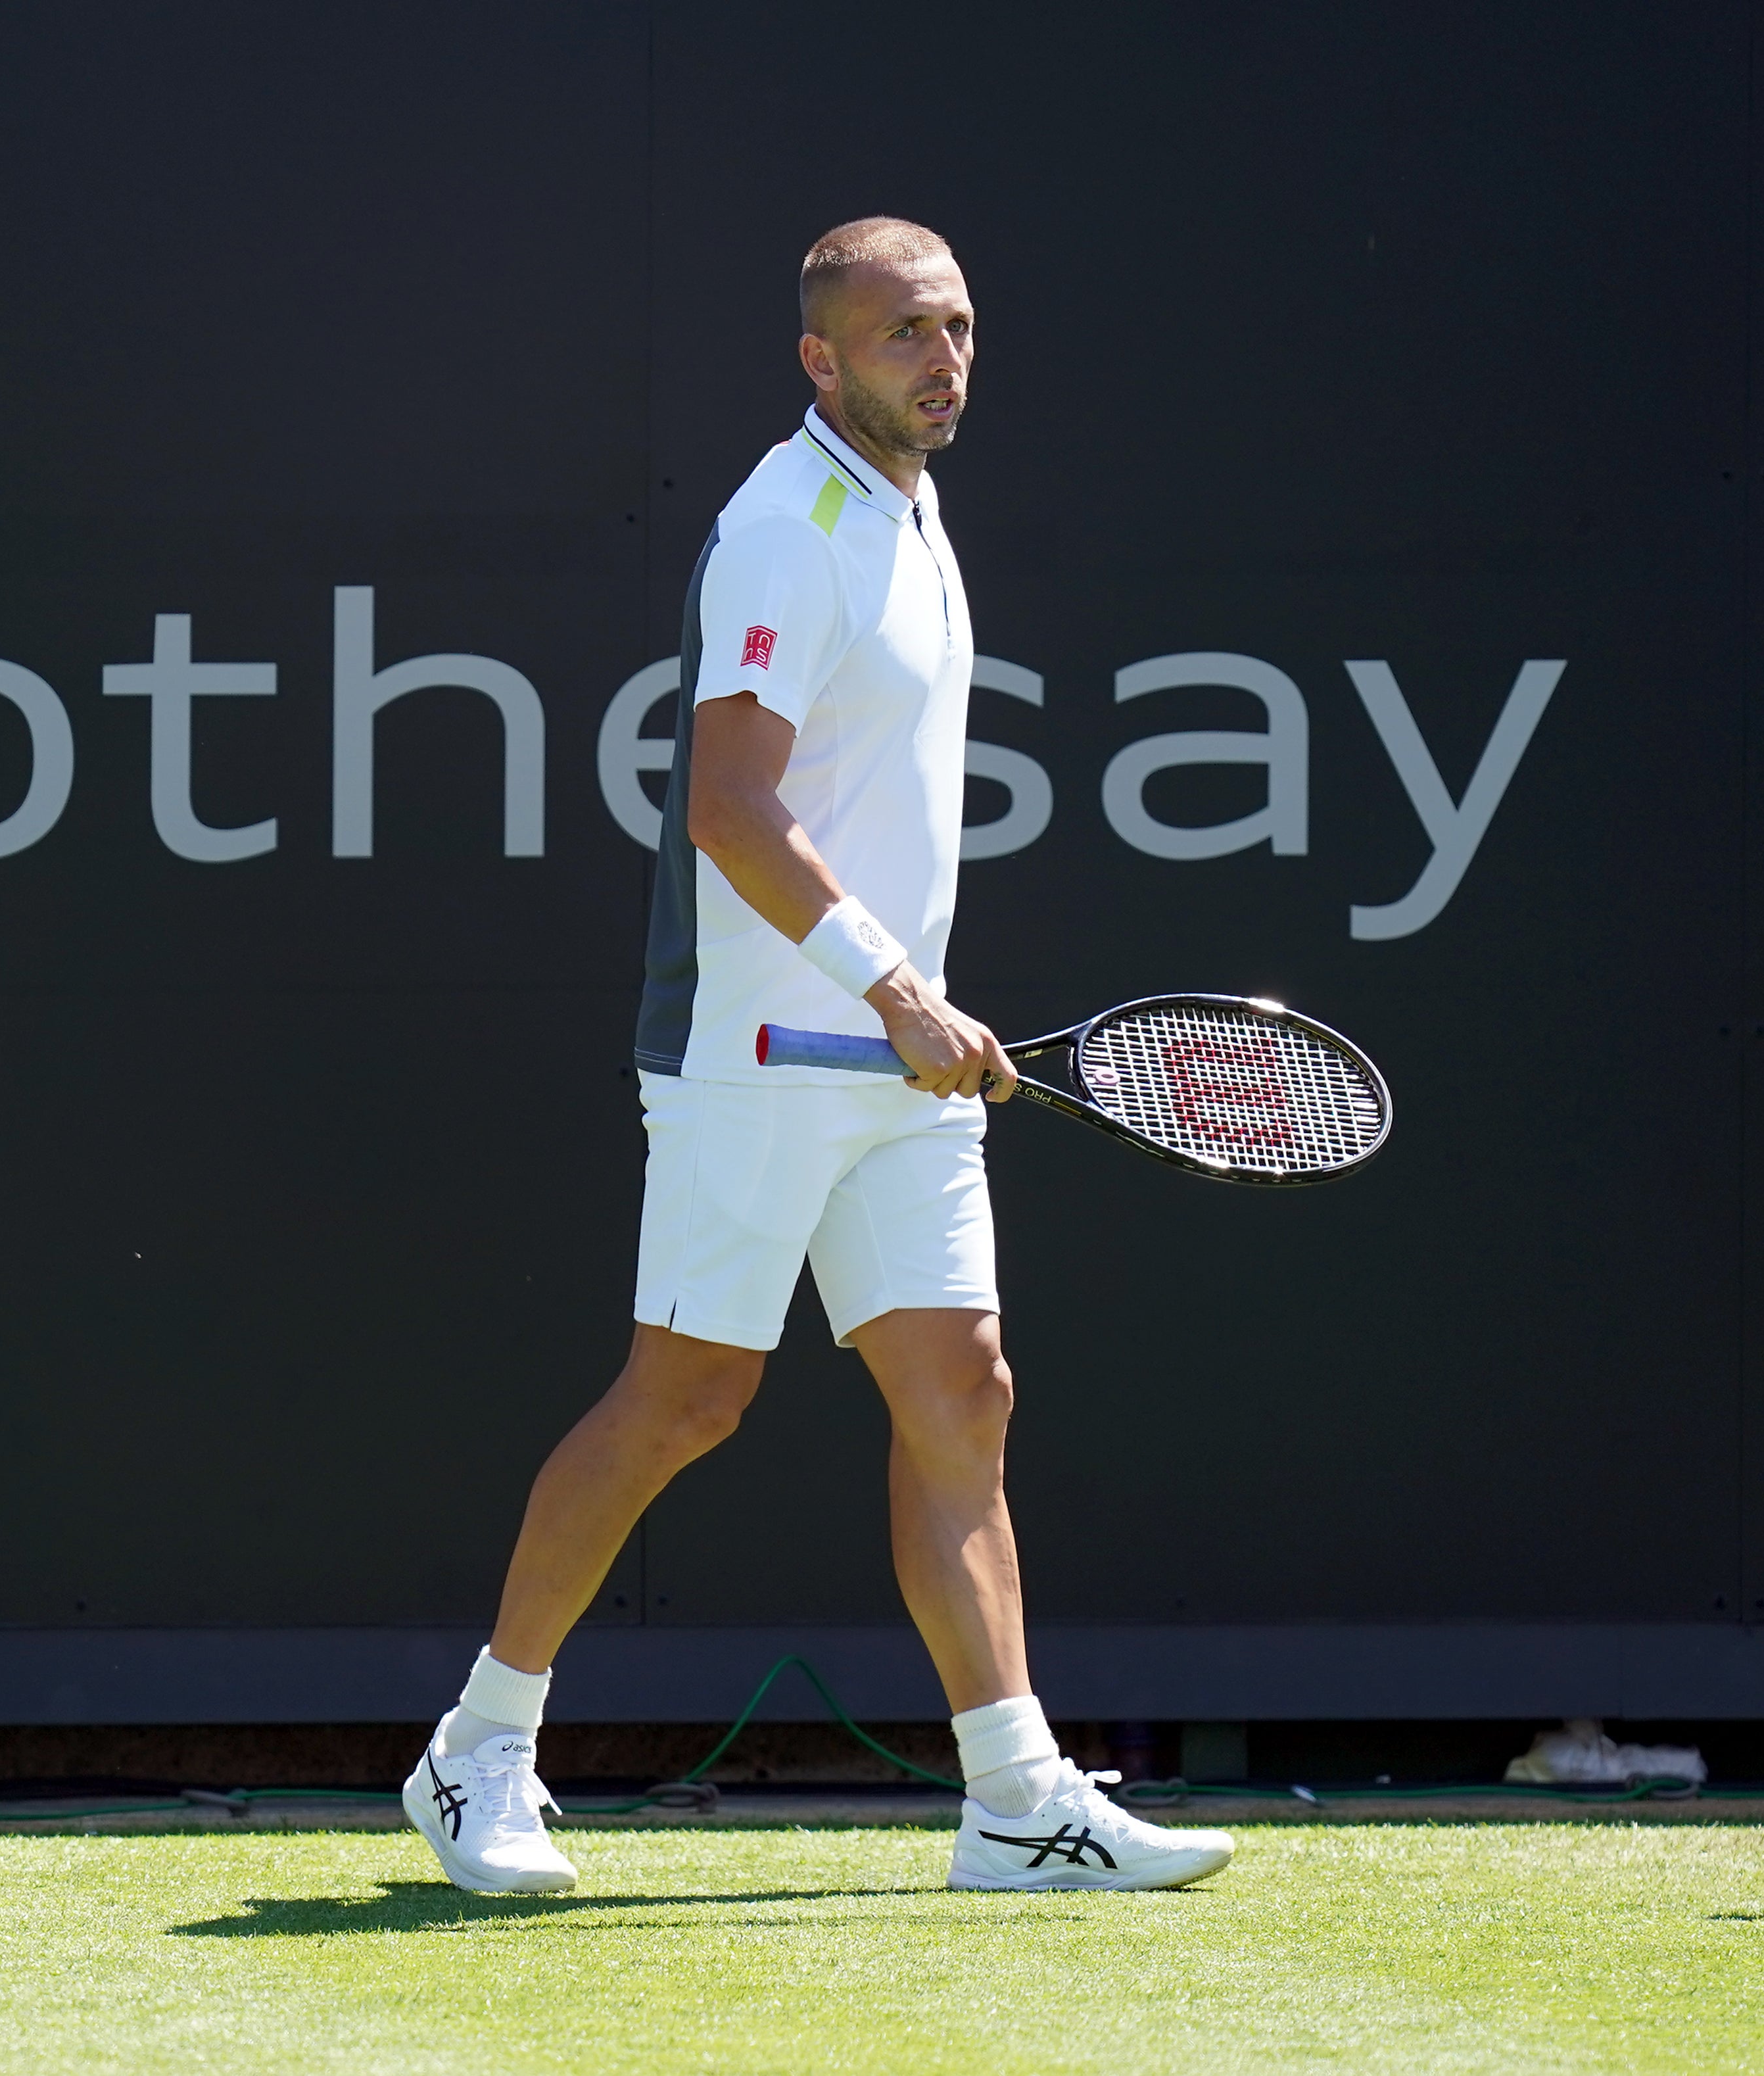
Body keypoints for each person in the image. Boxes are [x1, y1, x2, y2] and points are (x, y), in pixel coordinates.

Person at [401, 217, 1232, 1895]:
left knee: (961, 1391)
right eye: (904, 336)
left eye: (959, 329)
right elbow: (725, 808)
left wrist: (910, 1009)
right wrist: (894, 991)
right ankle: (476, 1750)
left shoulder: (915, 514)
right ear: (819, 359)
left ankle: (1014, 1798)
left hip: (891, 1061)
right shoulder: (784, 531)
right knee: (685, 1398)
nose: (943, 362)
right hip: (755, 1046)